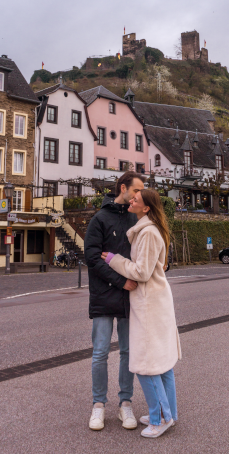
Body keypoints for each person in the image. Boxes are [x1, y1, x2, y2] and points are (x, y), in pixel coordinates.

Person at [102, 189, 181, 439]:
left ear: (146, 208)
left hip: (148, 305)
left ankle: (161, 419)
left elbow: (142, 272)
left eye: (136, 199)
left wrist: (114, 260)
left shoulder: (147, 232)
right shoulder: (151, 229)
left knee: (146, 365)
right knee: (162, 364)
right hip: (155, 302)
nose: (131, 200)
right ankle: (169, 412)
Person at [85, 171, 146, 431]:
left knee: (127, 352)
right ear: (123, 188)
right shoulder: (100, 218)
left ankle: (125, 404)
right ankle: (98, 406)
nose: (139, 195)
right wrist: (121, 280)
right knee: (100, 353)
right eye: (136, 190)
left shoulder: (138, 218)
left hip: (128, 295)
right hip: (104, 292)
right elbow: (92, 256)